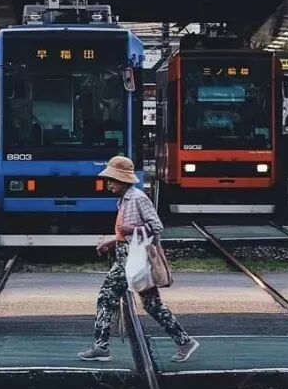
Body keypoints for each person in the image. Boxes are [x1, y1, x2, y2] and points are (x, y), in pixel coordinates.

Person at [79, 155, 199, 364]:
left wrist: (130, 229)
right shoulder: (125, 199)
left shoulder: (138, 198)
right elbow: (128, 234)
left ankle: (102, 347)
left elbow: (157, 227)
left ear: (122, 180)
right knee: (143, 303)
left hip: (135, 259)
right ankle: (184, 341)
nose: (109, 183)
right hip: (128, 256)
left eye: (112, 179)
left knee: (113, 299)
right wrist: (112, 241)